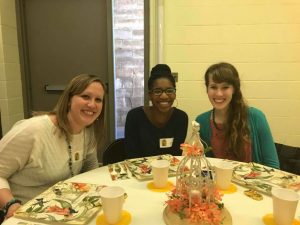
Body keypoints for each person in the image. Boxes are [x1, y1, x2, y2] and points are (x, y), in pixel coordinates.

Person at [0, 74, 106, 220]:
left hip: (61, 213)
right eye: (85, 96)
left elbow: (91, 169)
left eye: (98, 100)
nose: (92, 104)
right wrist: (11, 205)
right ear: (69, 100)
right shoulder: (33, 130)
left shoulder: (86, 131)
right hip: (24, 214)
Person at [196, 62, 279, 169]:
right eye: (213, 87)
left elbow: (273, 166)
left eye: (225, 87)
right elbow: (204, 166)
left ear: (234, 89)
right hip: (219, 184)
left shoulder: (256, 117)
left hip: (253, 183)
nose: (219, 93)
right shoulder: (201, 121)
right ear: (207, 89)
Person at [124, 64, 188, 158]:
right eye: (157, 91)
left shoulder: (181, 118)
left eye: (169, 90)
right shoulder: (134, 117)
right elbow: (131, 157)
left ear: (174, 93)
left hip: (169, 171)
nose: (164, 96)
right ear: (149, 95)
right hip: (139, 171)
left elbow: (175, 156)